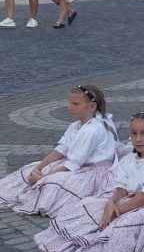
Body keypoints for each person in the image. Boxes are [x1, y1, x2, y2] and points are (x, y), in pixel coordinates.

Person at [35, 111, 144, 252]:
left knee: (125, 224)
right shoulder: (129, 159)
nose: (138, 139)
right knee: (88, 206)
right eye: (134, 133)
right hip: (131, 198)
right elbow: (122, 189)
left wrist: (118, 210)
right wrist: (111, 203)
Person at [0, 84, 119, 216]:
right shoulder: (76, 126)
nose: (70, 107)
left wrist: (43, 178)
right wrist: (39, 167)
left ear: (91, 106)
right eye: (70, 103)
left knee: (53, 182)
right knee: (30, 169)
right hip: (79, 166)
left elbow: (73, 164)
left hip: (93, 172)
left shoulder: (93, 129)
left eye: (76, 104)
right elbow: (60, 151)